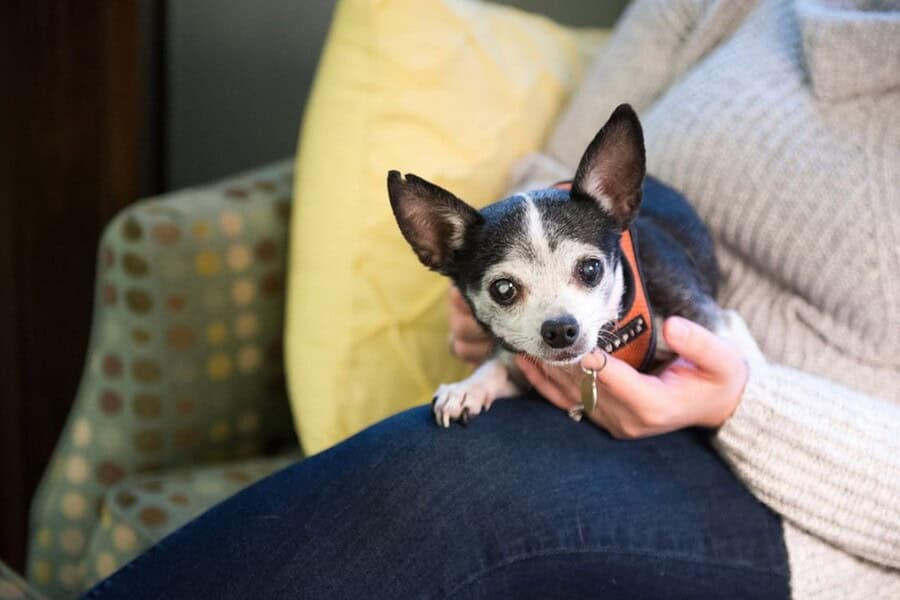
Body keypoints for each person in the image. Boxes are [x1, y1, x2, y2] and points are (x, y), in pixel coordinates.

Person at [85, 0, 899, 597]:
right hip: (584, 368)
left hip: (811, 502)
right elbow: (550, 170)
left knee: (447, 490)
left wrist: (748, 404)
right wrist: (500, 281)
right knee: (431, 468)